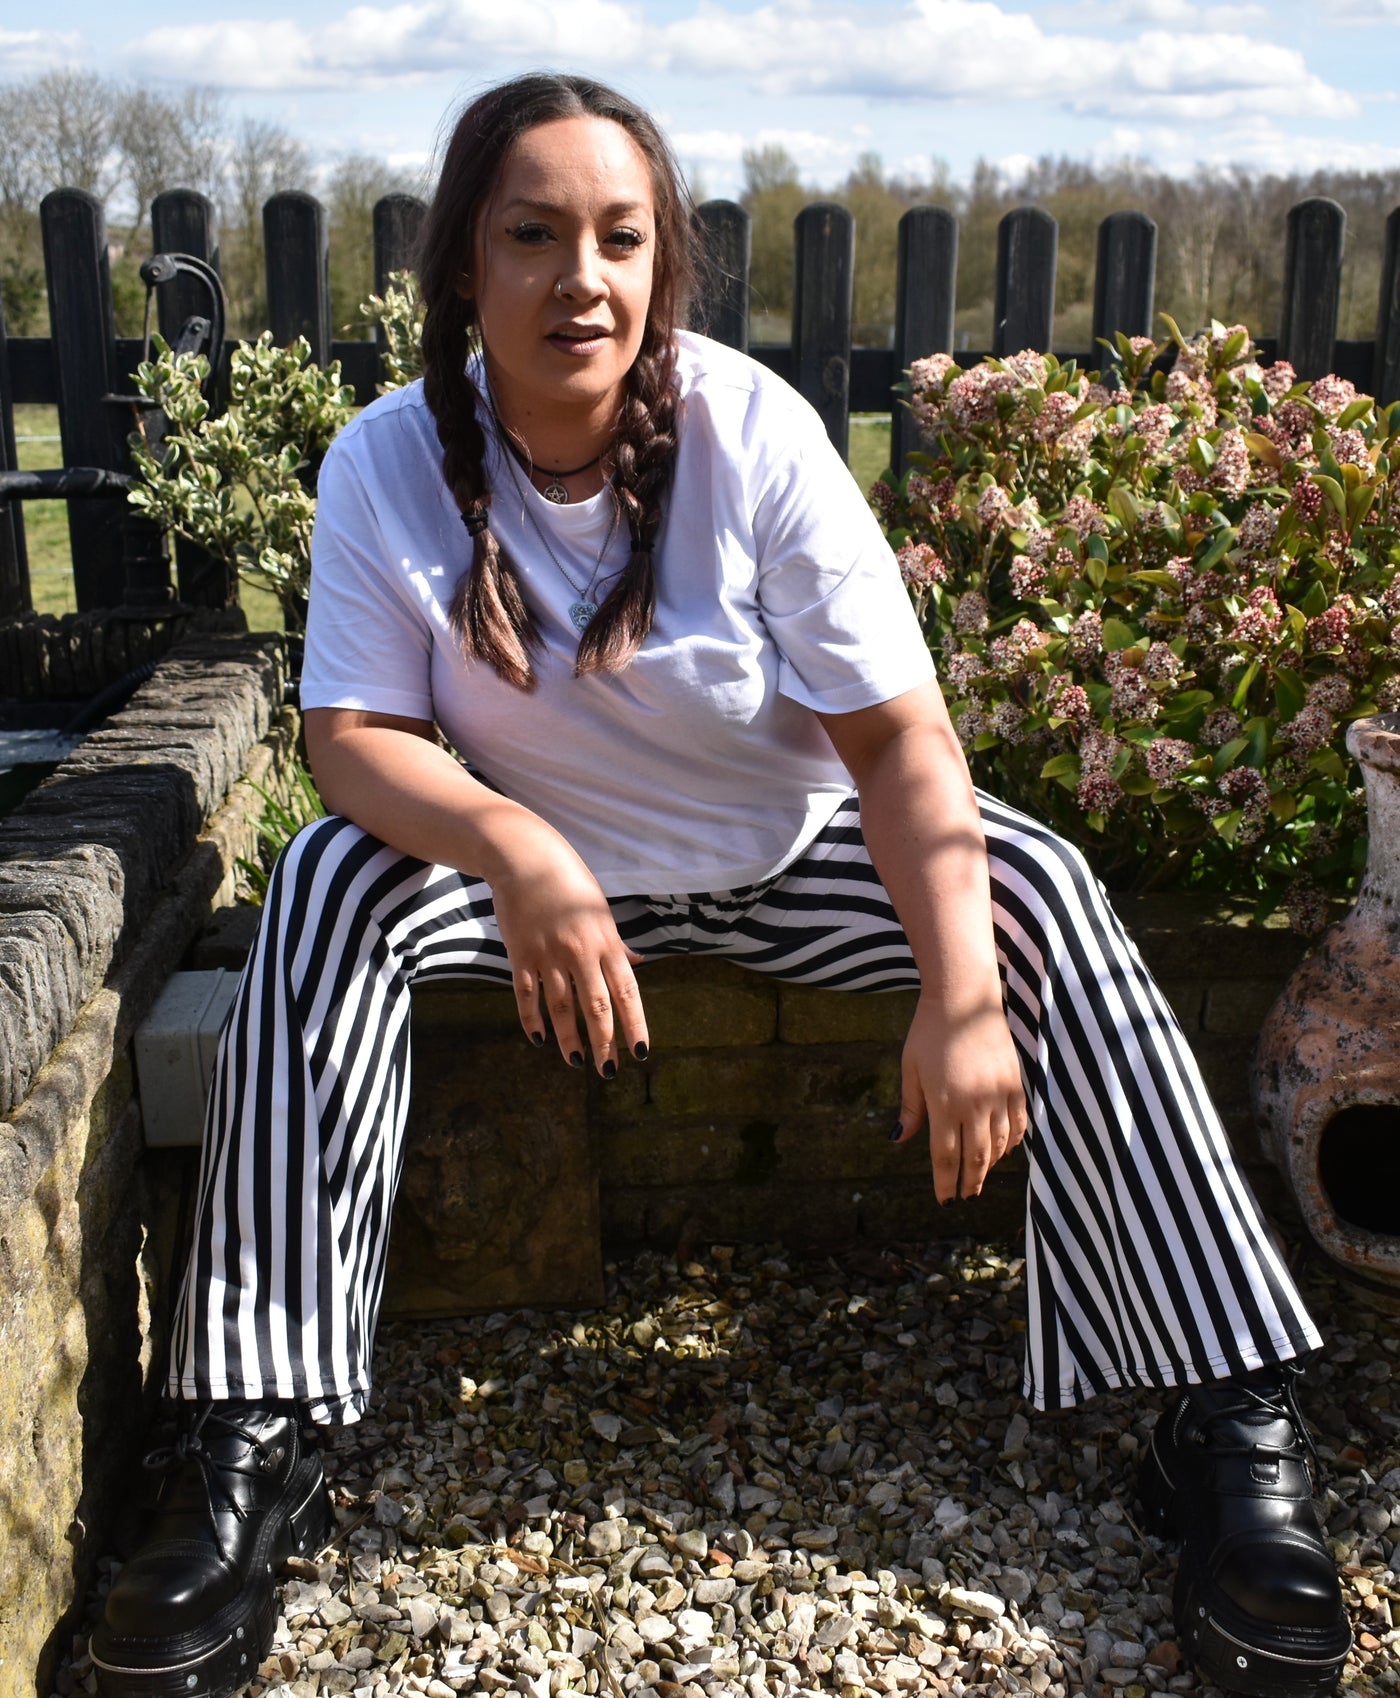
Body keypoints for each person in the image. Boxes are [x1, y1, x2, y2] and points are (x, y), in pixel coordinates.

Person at [91, 72, 1350, 1698]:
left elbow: (902, 746)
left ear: (662, 264)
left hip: (789, 855)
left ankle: (1225, 1425)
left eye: (621, 239)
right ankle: (248, 1447)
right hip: (537, 880)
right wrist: (521, 848)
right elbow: (352, 744)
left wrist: (966, 994)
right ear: (465, 262)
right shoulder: (389, 460)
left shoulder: (749, 432)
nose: (582, 278)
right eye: (534, 235)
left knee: (1035, 883)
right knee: (330, 883)